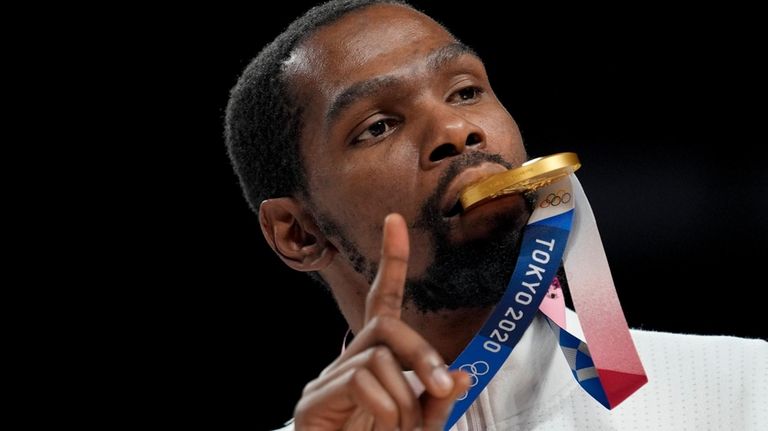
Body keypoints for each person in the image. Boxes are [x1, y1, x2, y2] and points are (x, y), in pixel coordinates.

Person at [224, 1, 767, 429]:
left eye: (465, 91)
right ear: (299, 234)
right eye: (378, 126)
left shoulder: (745, 390)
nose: (458, 132)